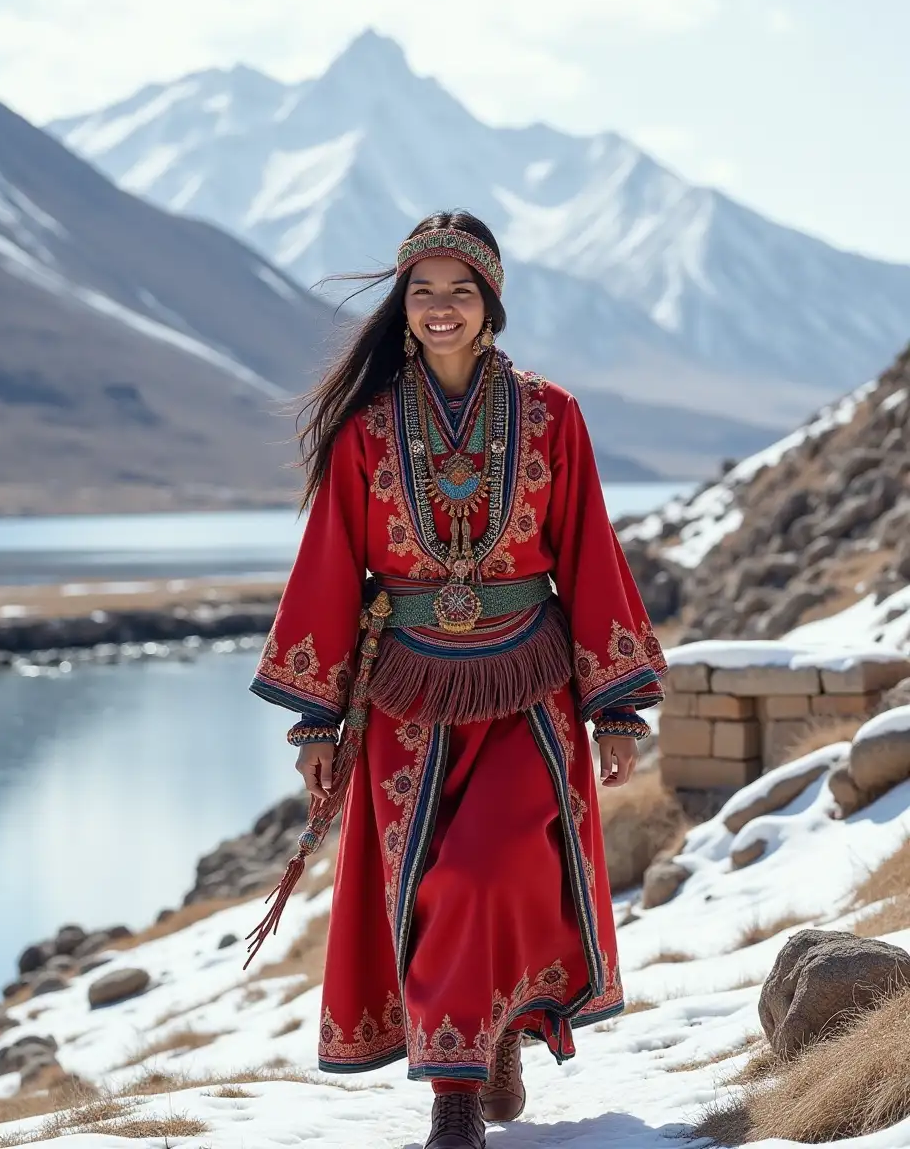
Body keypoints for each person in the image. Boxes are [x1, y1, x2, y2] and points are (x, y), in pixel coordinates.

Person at [245, 210, 667, 1148]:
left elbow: (588, 553)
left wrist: (617, 706)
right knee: (433, 887)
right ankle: (466, 1077)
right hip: (407, 702)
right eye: (423, 291)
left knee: (488, 873)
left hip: (531, 692)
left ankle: (473, 1069)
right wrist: (316, 727)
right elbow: (328, 568)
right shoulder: (365, 429)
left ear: (492, 305)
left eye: (461, 291)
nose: (441, 307)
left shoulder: (555, 415)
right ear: (404, 306)